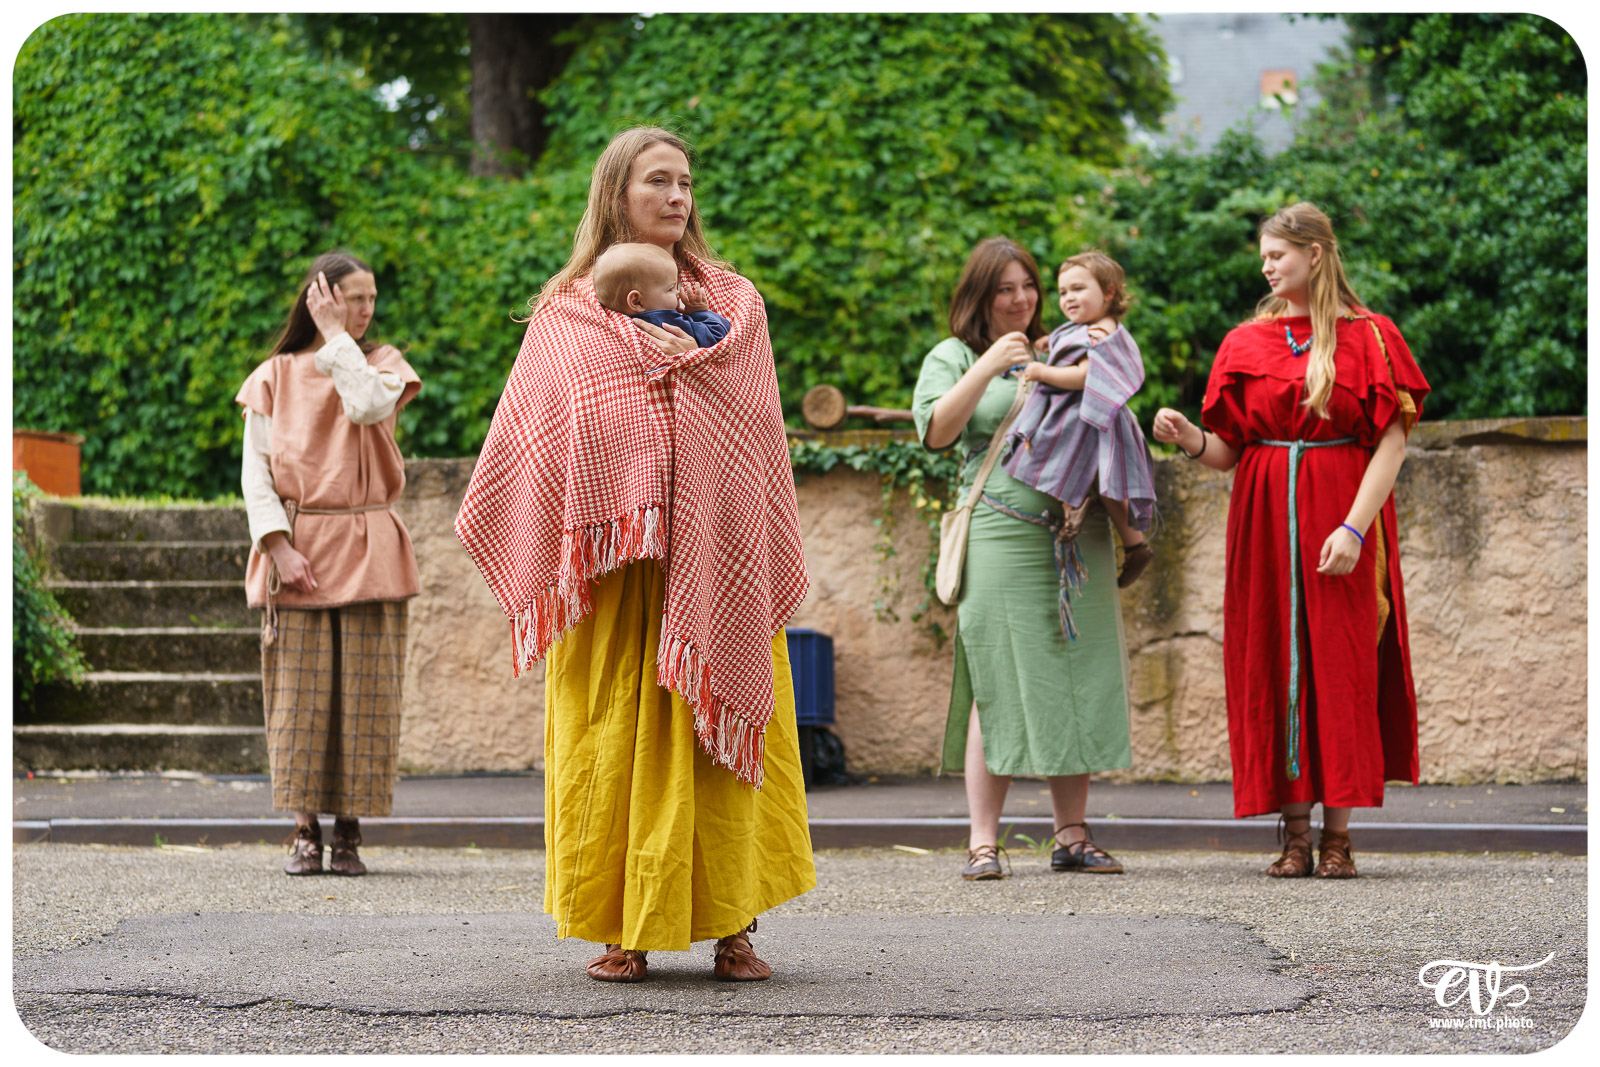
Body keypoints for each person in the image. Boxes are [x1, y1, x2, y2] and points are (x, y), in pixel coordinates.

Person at [454, 126, 815, 982]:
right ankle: (623, 925)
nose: (679, 197)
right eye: (659, 181)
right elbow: (539, 438)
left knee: (721, 744)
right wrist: (613, 503)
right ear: (618, 192)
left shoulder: (736, 302)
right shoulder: (567, 311)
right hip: (612, 579)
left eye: (687, 182)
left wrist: (697, 372)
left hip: (715, 563)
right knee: (612, 743)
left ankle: (735, 924)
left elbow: (755, 426)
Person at [1152, 202, 1429, 879]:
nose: (1267, 266)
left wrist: (1354, 528)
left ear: (1315, 253)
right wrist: (1191, 439)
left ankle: (1338, 836)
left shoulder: (1371, 336)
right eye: (1264, 257)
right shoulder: (1244, 342)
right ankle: (1295, 834)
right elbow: (1230, 450)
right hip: (1264, 521)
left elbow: (1391, 441)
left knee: (1341, 662)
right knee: (1274, 659)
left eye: (1278, 254)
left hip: (1341, 510)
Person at [912, 237, 1134, 881]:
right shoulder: (951, 355)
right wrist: (987, 366)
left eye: (1028, 286)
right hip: (997, 533)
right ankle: (984, 842)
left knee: (1077, 672)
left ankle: (1072, 837)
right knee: (997, 678)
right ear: (980, 296)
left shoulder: (1068, 344)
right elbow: (935, 433)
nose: (1021, 299)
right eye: (1005, 288)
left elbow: (1109, 415)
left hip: (1072, 532)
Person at [236, 250, 422, 876]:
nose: (367, 310)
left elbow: (366, 406)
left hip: (370, 547)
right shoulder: (274, 376)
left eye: (372, 299)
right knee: (298, 698)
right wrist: (278, 546)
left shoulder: (384, 365)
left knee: (367, 695)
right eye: (354, 298)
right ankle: (304, 829)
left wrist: (340, 339)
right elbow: (256, 473)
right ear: (321, 297)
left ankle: (349, 831)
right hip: (299, 551)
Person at [1003, 250, 1157, 589]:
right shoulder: (1083, 327)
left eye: (1078, 289)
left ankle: (1134, 545)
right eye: (1063, 292)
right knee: (1073, 466)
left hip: (1097, 420)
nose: (1069, 298)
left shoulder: (1101, 332)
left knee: (1109, 483)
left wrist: (1044, 371)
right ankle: (1074, 511)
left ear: (1109, 292)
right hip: (1079, 418)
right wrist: (1051, 342)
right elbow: (1068, 345)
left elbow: (1086, 375)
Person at [592, 241, 731, 348]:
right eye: (670, 289)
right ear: (637, 302)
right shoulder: (667, 322)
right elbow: (718, 334)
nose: (678, 293)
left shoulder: (612, 328)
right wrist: (699, 312)